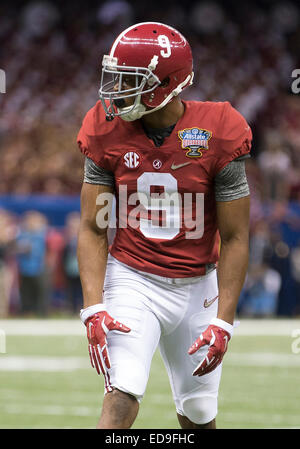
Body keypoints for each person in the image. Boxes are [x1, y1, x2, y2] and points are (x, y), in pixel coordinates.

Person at [77, 22, 252, 429]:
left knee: (198, 413)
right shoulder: (105, 127)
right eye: (116, 76)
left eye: (129, 80)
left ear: (167, 83)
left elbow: (237, 235)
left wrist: (224, 320)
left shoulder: (220, 129)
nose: (116, 89)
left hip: (198, 285)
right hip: (132, 278)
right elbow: (92, 226)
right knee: (121, 391)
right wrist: (93, 306)